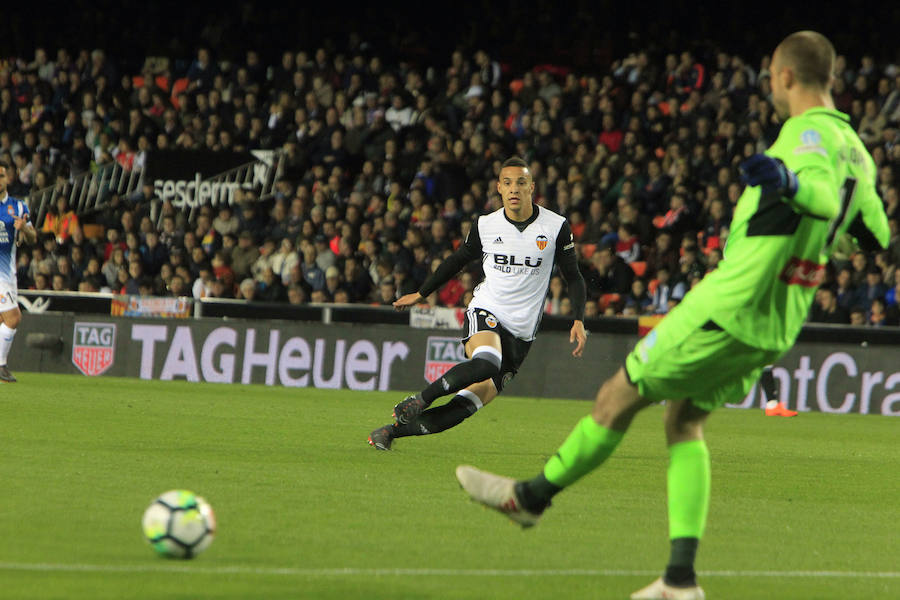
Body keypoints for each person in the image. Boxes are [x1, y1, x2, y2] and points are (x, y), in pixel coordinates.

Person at [454, 32, 889, 600]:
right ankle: (679, 580)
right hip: (777, 321)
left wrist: (788, 183)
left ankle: (528, 499)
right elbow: (874, 234)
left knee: (616, 398)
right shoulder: (856, 148)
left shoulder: (804, 135)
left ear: (784, 76)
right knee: (684, 420)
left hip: (730, 304)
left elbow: (824, 198)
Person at [367, 156, 587, 450]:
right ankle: (421, 399)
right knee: (487, 361)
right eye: (507, 183)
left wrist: (578, 319)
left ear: (531, 187)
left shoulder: (555, 227)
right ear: (499, 187)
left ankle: (389, 433)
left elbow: (573, 276)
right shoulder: (486, 225)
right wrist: (422, 293)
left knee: (465, 407)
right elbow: (457, 260)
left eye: (521, 183)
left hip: (521, 335)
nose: (514, 189)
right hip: (486, 310)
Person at [0, 160, 38, 382]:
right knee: (13, 318)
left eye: (2, 175)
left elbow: (33, 238)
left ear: (8, 179)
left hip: (8, 273)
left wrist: (23, 228)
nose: (0, 179)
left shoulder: (19, 207)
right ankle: (1, 365)